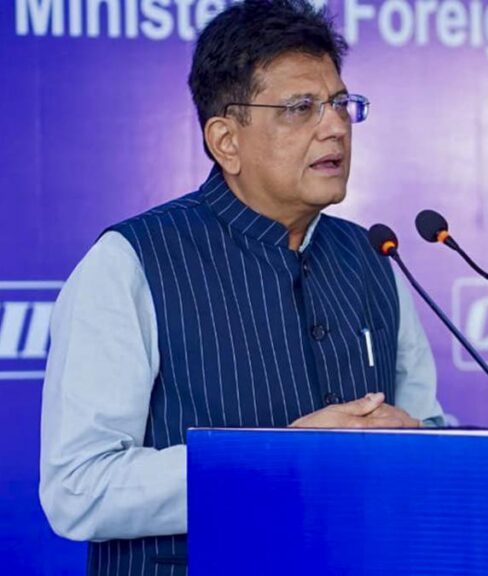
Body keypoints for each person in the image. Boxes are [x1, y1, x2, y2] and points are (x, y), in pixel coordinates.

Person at [38, 1, 443, 574]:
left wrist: (420, 442)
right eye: (301, 108)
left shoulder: (374, 257)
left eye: (340, 104)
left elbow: (429, 428)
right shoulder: (132, 262)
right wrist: (274, 458)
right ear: (226, 141)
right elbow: (79, 488)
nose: (334, 127)